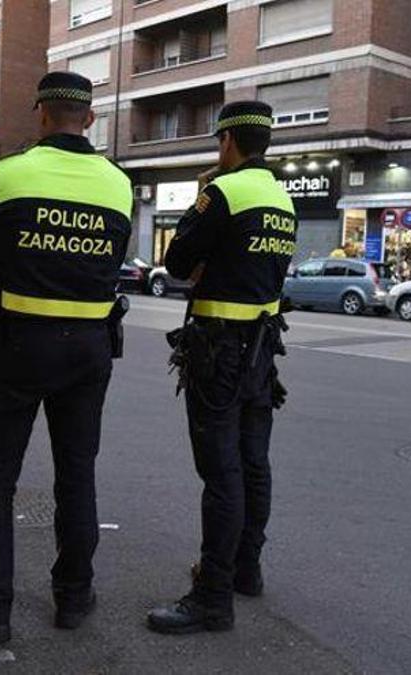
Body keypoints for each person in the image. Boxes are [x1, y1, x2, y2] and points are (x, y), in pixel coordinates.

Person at [0, 71, 132, 647]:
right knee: (77, 473)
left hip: (22, 347)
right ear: (91, 119)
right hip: (90, 349)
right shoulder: (119, 183)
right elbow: (115, 258)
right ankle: (74, 598)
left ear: (42, 114)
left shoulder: (10, 174)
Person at [146, 101, 296, 635]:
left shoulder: (224, 192)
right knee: (254, 464)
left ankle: (212, 598)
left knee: (222, 473)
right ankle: (244, 570)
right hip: (262, 352)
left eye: (217, 142)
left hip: (221, 353)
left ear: (228, 141)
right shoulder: (282, 198)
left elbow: (178, 262)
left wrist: (201, 205)